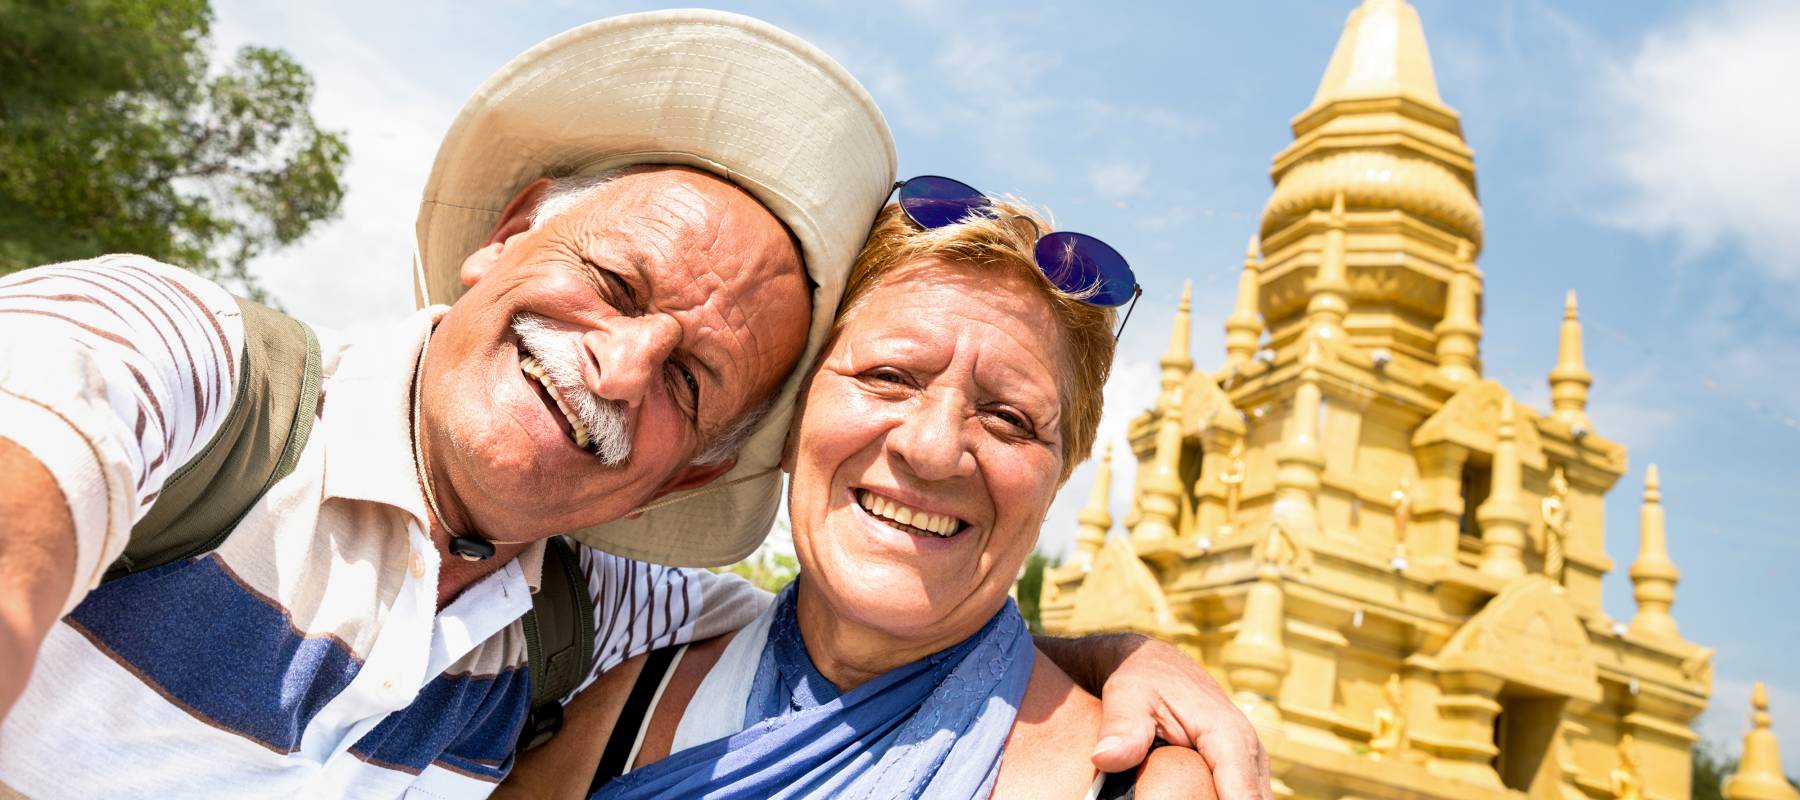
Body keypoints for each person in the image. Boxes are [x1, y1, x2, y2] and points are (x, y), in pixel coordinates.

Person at [0, 11, 1267, 800]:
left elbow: (866, 634)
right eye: (611, 283)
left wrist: (1124, 653)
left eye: (691, 381)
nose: (616, 368)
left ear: (684, 474)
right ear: (503, 237)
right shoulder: (183, 366)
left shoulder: (597, 619)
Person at [497, 189, 1231, 799]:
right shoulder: (625, 696)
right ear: (791, 420)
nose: (933, 448)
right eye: (888, 377)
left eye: (1009, 418)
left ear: (1058, 478)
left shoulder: (1137, 780)